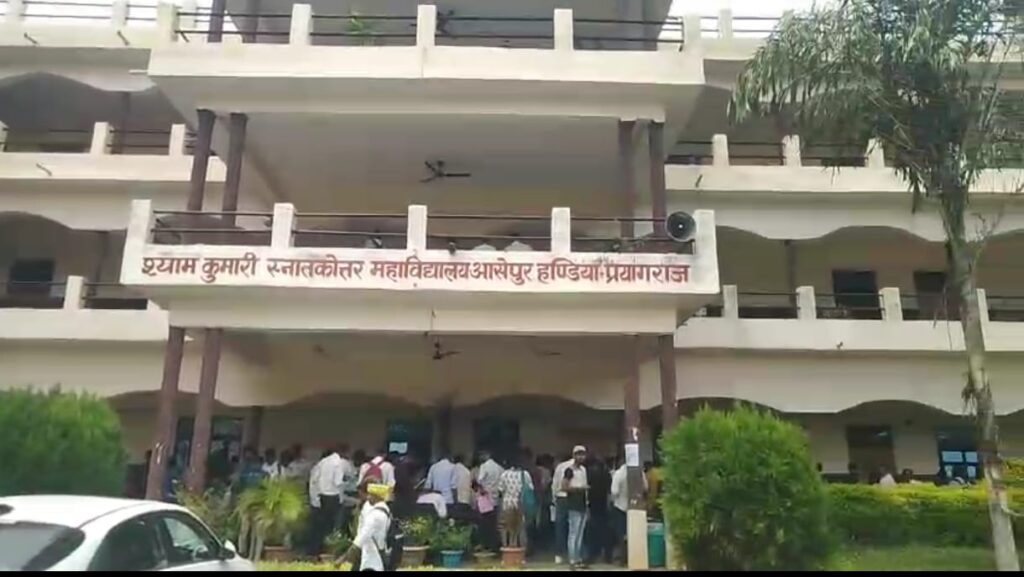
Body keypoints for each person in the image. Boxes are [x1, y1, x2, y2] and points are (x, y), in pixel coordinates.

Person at [307, 445, 353, 556]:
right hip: (333, 497)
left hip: (322, 497)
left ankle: (316, 551)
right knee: (332, 526)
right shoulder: (338, 463)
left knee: (321, 526)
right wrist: (347, 484)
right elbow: (337, 482)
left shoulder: (323, 462)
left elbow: (316, 480)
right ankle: (329, 551)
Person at [339, 483, 393, 572]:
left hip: (371, 558)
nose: (368, 497)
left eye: (371, 495)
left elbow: (363, 536)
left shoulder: (375, 515)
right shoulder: (385, 511)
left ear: (377, 497)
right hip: (377, 554)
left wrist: (345, 557)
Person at [556, 446, 590, 569]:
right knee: (573, 533)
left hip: (582, 504)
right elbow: (563, 487)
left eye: (583, 454)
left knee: (580, 534)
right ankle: (572, 560)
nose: (581, 457)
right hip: (573, 504)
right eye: (578, 454)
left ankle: (578, 558)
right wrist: (579, 489)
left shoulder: (583, 470)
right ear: (574, 456)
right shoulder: (569, 471)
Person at [610, 458, 648, 565]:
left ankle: (623, 559)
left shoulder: (618, 474)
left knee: (621, 534)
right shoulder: (640, 472)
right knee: (634, 534)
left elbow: (614, 491)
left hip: (620, 507)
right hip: (636, 508)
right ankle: (634, 557)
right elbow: (645, 488)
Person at [497, 454, 534, 551]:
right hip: (520, 503)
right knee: (520, 528)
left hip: (507, 504)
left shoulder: (504, 474)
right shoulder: (525, 474)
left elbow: (500, 490)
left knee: (505, 528)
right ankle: (522, 550)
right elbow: (530, 489)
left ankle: (506, 547)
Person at [476, 451, 505, 552]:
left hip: (485, 500)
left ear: (486, 456)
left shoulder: (484, 466)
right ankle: (494, 546)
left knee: (484, 523)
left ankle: (485, 545)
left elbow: (479, 481)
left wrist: (482, 490)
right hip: (495, 500)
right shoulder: (499, 468)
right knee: (493, 524)